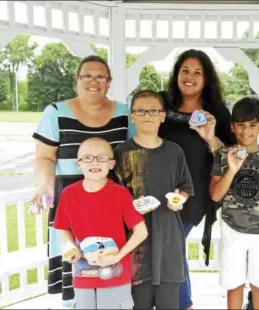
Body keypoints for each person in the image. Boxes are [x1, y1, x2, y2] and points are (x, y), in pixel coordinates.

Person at [30, 55, 136, 308]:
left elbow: (136, 152)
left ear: (109, 82)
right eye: (87, 76)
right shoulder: (55, 112)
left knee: (111, 273)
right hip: (70, 205)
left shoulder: (124, 113)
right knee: (75, 270)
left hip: (111, 206)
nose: (93, 81)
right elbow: (44, 157)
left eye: (100, 76)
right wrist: (44, 184)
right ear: (77, 79)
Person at [158, 49, 236, 309]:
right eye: (185, 71)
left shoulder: (217, 113)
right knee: (169, 249)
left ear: (206, 79)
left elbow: (230, 154)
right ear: (176, 73)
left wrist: (210, 137)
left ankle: (182, 304)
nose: (189, 77)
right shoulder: (161, 104)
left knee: (170, 246)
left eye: (197, 72)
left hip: (192, 194)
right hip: (155, 191)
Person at [114, 90, 195, 309]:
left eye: (153, 110)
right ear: (133, 116)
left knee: (169, 300)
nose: (147, 115)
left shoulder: (174, 151)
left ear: (162, 116)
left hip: (169, 239)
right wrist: (131, 210)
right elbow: (114, 197)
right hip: (135, 243)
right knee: (138, 301)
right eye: (140, 110)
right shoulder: (121, 152)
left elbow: (186, 187)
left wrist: (178, 199)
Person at [53, 137, 148, 309]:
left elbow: (141, 231)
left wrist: (119, 255)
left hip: (116, 273)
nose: (95, 162)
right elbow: (64, 228)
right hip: (84, 272)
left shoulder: (121, 194)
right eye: (87, 157)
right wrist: (69, 246)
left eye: (102, 157)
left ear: (111, 164)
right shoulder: (68, 194)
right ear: (78, 164)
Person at [209, 96, 259, 310]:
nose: (246, 131)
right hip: (232, 230)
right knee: (234, 285)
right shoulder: (224, 155)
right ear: (233, 127)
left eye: (252, 125)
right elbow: (215, 195)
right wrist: (232, 169)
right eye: (240, 125)